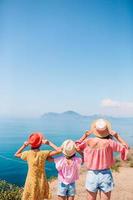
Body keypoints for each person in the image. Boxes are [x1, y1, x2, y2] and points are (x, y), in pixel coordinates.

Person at [76, 119, 128, 200]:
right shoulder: (110, 142)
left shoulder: (88, 141)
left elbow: (76, 146)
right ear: (107, 130)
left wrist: (85, 136)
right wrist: (117, 136)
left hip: (92, 174)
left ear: (95, 130)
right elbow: (125, 147)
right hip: (105, 174)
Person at [15, 132, 61, 200]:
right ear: (40, 143)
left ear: (30, 143)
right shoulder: (44, 153)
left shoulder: (27, 154)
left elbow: (16, 154)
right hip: (42, 179)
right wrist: (49, 143)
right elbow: (59, 150)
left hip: (30, 179)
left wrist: (24, 145)